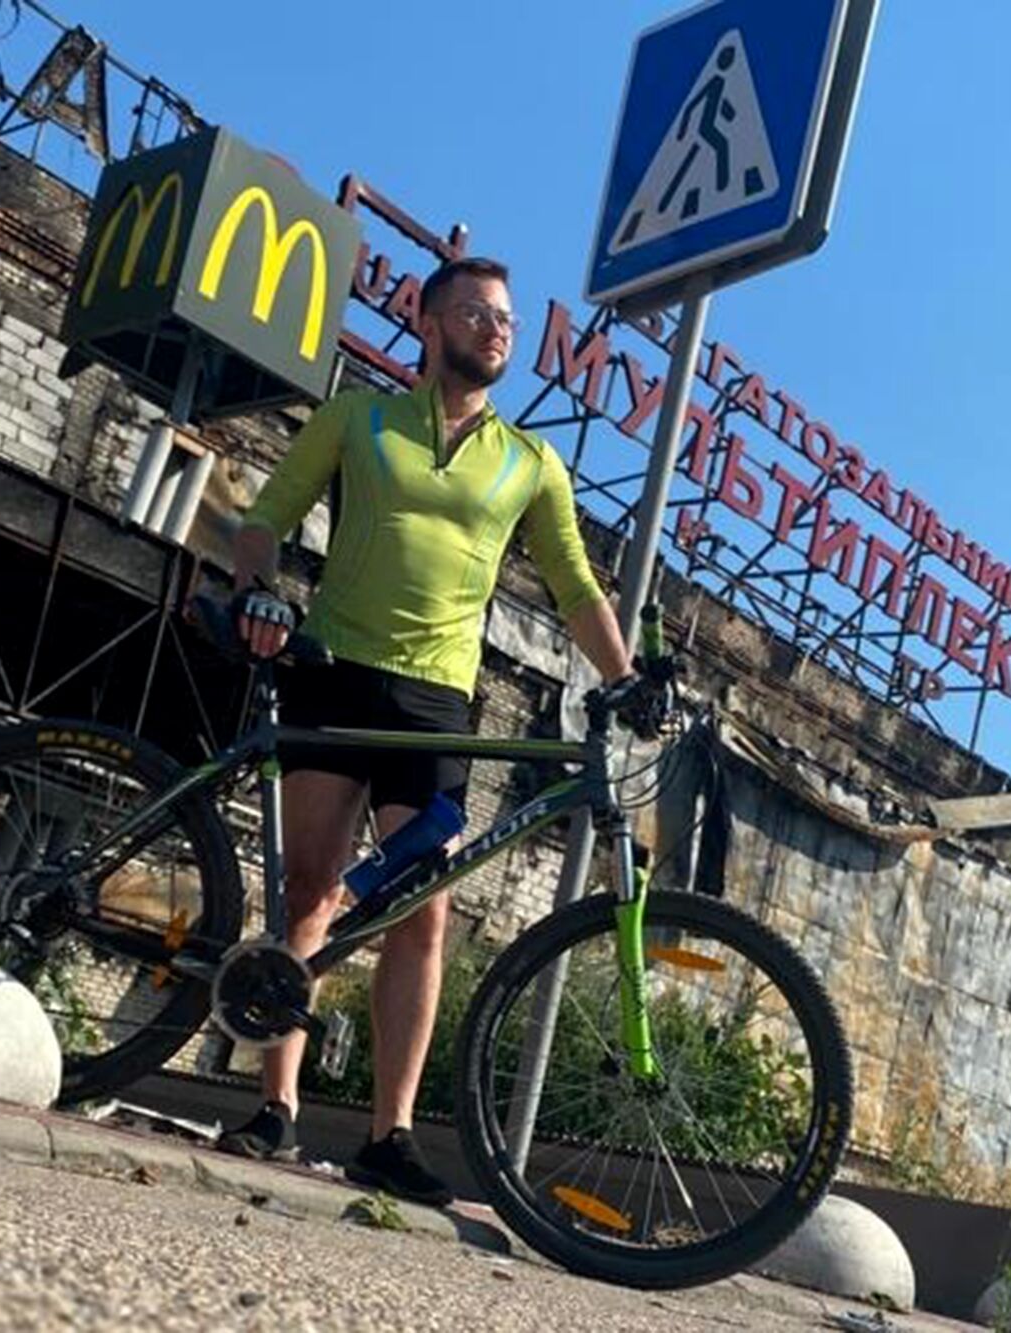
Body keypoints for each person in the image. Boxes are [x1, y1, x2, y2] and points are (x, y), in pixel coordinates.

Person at [216, 256, 635, 1204]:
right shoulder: (356, 418)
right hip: (334, 666)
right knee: (310, 885)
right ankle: (275, 1108)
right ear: (430, 319)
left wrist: (628, 675)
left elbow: (572, 582)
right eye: (479, 313)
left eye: (509, 320)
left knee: (419, 910)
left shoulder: (532, 462)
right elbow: (266, 518)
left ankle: (388, 1135)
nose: (497, 330)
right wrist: (256, 594)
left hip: (438, 697)